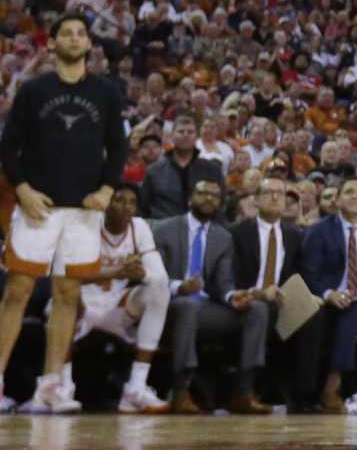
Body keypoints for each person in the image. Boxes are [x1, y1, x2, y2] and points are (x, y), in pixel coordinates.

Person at [0, 13, 127, 413]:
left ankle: (52, 386)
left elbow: (118, 146)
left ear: (90, 44)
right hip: (39, 207)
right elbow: (8, 144)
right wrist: (22, 190)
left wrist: (107, 189)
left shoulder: (106, 93)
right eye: (67, 33)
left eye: (81, 34)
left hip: (83, 212)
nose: (75, 39)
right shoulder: (34, 90)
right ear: (52, 44)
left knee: (68, 294)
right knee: (17, 292)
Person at [152, 177, 269, 413]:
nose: (209, 199)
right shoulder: (164, 229)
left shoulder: (223, 237)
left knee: (257, 309)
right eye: (203, 193)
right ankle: (181, 390)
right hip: (167, 304)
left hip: (206, 309)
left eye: (215, 196)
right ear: (190, 198)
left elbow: (223, 282)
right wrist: (178, 287)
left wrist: (232, 296)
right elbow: (152, 275)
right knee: (188, 306)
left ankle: (244, 392)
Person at [72, 184, 172, 413]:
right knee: (63, 297)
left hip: (117, 307)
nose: (126, 206)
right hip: (81, 306)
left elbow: (161, 278)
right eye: (118, 200)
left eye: (131, 202)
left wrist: (142, 274)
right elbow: (70, 275)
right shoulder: (88, 224)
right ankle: (60, 385)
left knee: (158, 290)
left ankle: (136, 386)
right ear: (106, 203)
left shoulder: (139, 228)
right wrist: (116, 272)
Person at [296, 178, 357, 412]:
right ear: (337, 199)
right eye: (348, 192)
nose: (355, 196)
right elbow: (309, 272)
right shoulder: (319, 230)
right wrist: (329, 293)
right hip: (326, 301)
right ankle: (332, 385)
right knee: (352, 310)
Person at [227, 174, 302, 406]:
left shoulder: (294, 235)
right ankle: (245, 390)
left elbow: (298, 274)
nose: (276, 197)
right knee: (260, 310)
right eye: (269, 193)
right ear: (256, 200)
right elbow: (230, 276)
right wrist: (258, 292)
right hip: (246, 301)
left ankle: (304, 394)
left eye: (281, 193)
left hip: (282, 302)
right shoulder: (237, 232)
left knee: (315, 316)